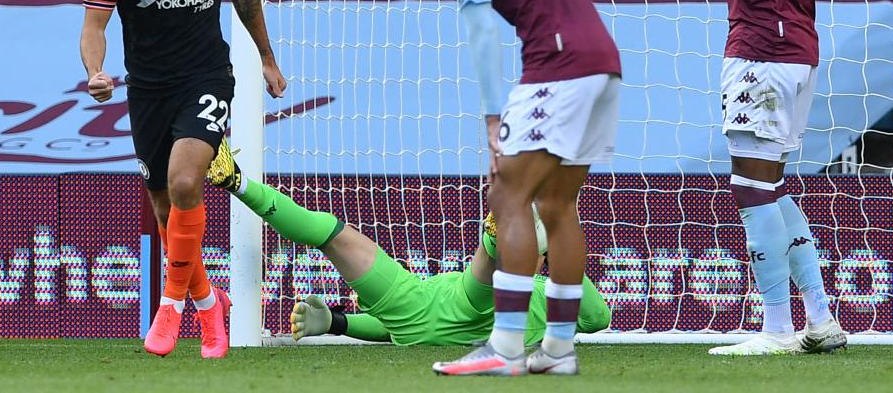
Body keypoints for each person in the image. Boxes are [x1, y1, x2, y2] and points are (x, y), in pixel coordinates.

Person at [554, 0, 845, 356]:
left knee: (751, 187)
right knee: (770, 184)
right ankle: (820, 319)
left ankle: (776, 330)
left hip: (762, 50)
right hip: (794, 48)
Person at [388, 0, 622, 376]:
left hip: (557, 64)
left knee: (508, 194)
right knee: (558, 205)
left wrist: (493, 115)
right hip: (603, 62)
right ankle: (559, 351)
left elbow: (478, 20)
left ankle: (506, 348)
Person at [78, 0, 287, 358]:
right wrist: (96, 71)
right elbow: (94, 25)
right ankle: (207, 303)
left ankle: (170, 307)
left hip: (206, 77)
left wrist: (265, 57)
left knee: (186, 178)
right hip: (147, 89)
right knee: (166, 208)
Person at [206, 139, 611, 347]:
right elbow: (393, 332)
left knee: (330, 233)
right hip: (417, 320)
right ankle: (494, 244)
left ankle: (236, 181)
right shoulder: (553, 295)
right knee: (482, 296)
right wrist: (337, 323)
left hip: (423, 306)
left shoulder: (541, 290)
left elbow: (598, 320)